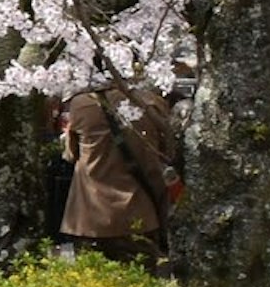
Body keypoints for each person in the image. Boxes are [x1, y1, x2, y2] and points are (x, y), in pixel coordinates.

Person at [57, 79, 183, 261]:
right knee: (142, 281)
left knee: (92, 283)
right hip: (139, 212)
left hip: (89, 215)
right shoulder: (150, 103)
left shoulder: (82, 104)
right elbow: (163, 156)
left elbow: (70, 154)